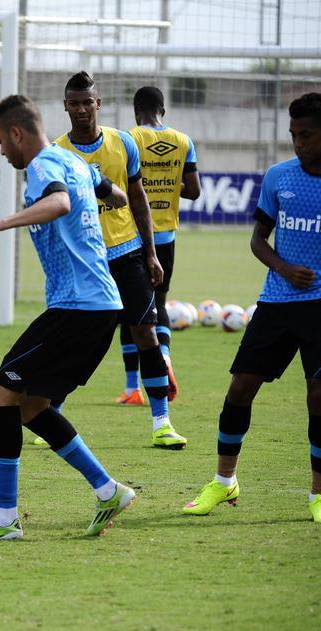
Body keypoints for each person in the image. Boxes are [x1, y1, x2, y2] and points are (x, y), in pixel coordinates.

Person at [0, 94, 136, 540]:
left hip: (78, 306)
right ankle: (108, 490)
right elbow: (117, 194)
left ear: (17, 133)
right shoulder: (74, 162)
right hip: (98, 305)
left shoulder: (42, 167)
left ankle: (4, 518)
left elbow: (59, 205)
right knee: (32, 406)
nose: (0, 151)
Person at [182, 92, 321, 524]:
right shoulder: (278, 177)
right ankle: (224, 481)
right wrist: (285, 268)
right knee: (240, 388)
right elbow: (257, 240)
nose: (298, 143)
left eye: (306, 135)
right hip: (278, 300)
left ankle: (320, 494)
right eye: (293, 135)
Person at [55, 71, 186, 449]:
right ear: (66, 107)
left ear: (98, 103)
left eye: (87, 102)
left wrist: (150, 253)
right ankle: (52, 413)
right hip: (86, 261)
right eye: (74, 103)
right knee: (75, 342)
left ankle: (162, 422)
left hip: (128, 253)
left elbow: (138, 198)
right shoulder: (57, 153)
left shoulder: (122, 142)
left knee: (146, 334)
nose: (81, 109)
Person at [119, 86, 201, 402]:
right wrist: (169, 183)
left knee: (130, 310)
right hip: (166, 237)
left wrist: (144, 183)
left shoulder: (129, 139)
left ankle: (131, 388)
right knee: (160, 304)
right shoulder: (183, 141)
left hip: (131, 237)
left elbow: (124, 182)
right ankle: (164, 357)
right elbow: (193, 191)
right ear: (162, 111)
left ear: (136, 111)